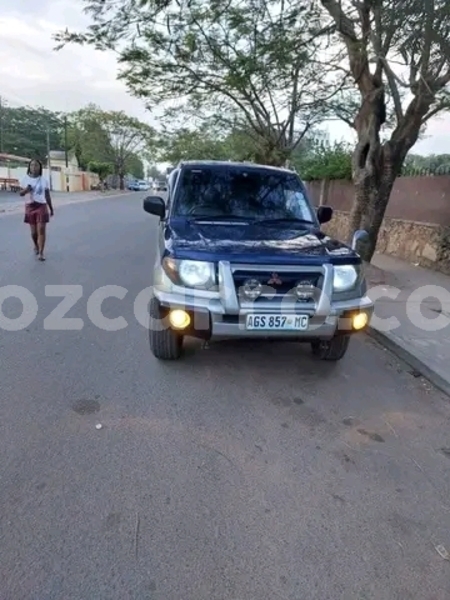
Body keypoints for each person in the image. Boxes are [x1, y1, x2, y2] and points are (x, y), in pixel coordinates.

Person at [19, 159, 54, 261]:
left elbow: (47, 196)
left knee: (41, 231)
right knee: (34, 233)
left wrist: (51, 208)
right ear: (29, 167)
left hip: (41, 206)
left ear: (40, 168)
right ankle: (36, 245)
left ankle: (41, 253)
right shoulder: (24, 179)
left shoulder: (44, 180)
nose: (34, 167)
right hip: (30, 207)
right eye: (32, 165)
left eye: (36, 165)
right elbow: (20, 193)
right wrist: (26, 190)